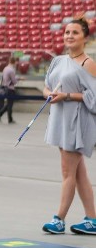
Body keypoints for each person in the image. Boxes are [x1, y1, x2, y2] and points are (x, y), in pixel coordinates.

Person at [41, 17, 96, 235]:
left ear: (85, 37)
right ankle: (92, 219)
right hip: (60, 119)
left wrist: (67, 96)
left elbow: (94, 96)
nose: (69, 36)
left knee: (67, 172)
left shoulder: (88, 63)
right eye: (66, 32)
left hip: (76, 121)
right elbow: (47, 86)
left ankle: (59, 219)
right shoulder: (57, 61)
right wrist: (50, 94)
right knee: (78, 173)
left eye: (74, 33)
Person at [0, 56, 19, 124]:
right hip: (10, 88)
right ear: (14, 62)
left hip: (5, 87)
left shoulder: (5, 68)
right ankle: (9, 119)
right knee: (10, 104)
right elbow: (14, 81)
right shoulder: (11, 70)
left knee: (8, 104)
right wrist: (18, 79)